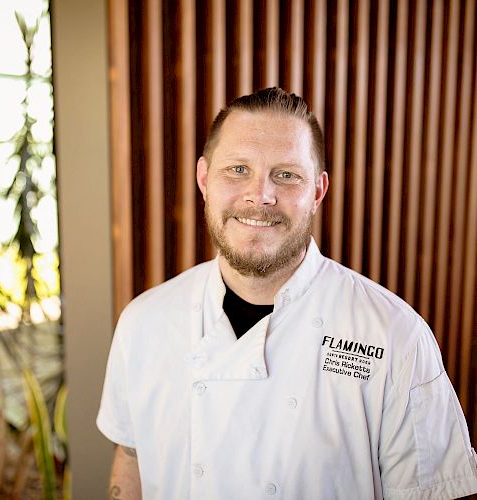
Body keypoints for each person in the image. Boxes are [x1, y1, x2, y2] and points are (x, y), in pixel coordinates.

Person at [97, 87, 477, 500]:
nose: (260, 195)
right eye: (238, 170)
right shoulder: (144, 321)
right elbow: (131, 457)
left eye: (287, 175)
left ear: (317, 191)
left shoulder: (395, 337)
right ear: (204, 179)